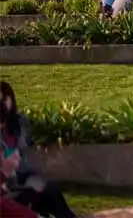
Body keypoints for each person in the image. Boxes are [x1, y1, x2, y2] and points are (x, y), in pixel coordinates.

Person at [1, 82, 77, 218]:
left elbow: (26, 144)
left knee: (49, 190)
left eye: (5, 98)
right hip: (6, 177)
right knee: (32, 193)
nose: (3, 103)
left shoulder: (20, 122)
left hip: (23, 172)